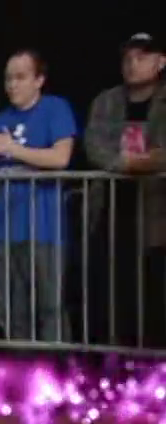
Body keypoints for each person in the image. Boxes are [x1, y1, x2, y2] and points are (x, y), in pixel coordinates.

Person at [0, 49, 76, 342]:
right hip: (2, 229)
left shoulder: (55, 108)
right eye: (8, 78)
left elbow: (61, 157)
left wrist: (13, 149)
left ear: (39, 80)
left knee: (49, 307)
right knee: (7, 307)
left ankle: (55, 365)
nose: (12, 85)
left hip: (44, 229)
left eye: (20, 77)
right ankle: (20, 364)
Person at [85, 32, 166, 348]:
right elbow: (94, 146)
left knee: (154, 293)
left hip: (156, 214)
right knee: (111, 294)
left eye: (142, 57)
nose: (133, 64)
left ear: (161, 62)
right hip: (109, 212)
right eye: (128, 58)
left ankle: (154, 364)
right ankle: (113, 360)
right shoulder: (106, 101)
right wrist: (131, 163)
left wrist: (134, 163)